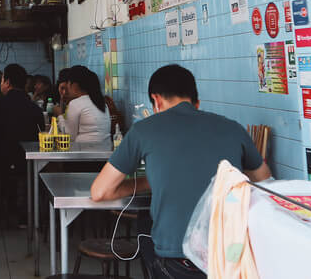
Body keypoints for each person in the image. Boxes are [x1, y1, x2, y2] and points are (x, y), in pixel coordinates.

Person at [91, 65, 272, 278]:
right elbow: (266, 183)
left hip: (176, 259)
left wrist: (145, 183)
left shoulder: (143, 130)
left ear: (156, 100)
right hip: (230, 256)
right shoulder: (234, 128)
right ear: (196, 103)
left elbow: (100, 192)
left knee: (145, 227)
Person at [0, 64, 44, 226]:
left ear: (7, 82)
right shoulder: (35, 109)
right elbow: (40, 137)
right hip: (25, 163)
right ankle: (23, 216)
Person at [60, 66, 110, 143]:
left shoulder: (75, 103)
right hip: (105, 150)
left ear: (75, 85)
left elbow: (69, 136)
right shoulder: (101, 102)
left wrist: (60, 116)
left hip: (85, 152)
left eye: (68, 83)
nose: (67, 87)